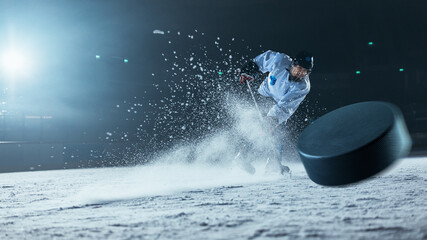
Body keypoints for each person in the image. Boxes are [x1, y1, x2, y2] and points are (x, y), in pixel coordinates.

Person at [238, 50, 314, 175]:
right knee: (258, 128)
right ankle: (242, 157)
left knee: (277, 132)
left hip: (279, 105)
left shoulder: (303, 86)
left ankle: (273, 163)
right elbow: (261, 61)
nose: (301, 73)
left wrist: (272, 120)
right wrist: (250, 69)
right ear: (293, 64)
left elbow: (285, 106)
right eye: (299, 68)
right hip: (264, 95)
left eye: (305, 71)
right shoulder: (280, 60)